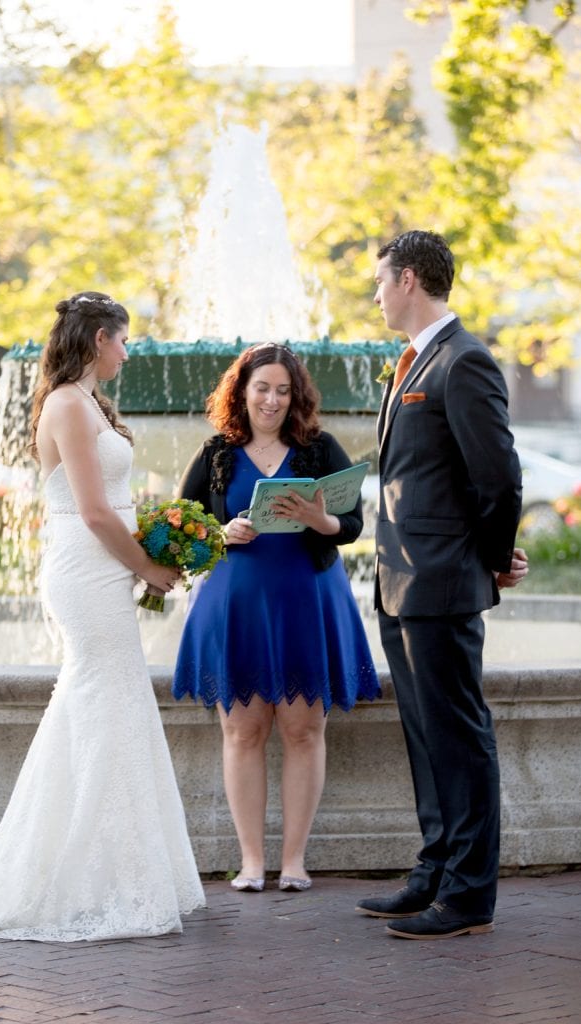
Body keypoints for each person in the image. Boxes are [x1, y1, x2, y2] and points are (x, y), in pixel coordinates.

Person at [0, 291, 205, 947]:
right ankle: (87, 877)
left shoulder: (90, 402)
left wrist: (158, 539)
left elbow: (116, 501)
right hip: (87, 565)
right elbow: (95, 511)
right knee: (104, 699)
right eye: (123, 340)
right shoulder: (69, 405)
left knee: (105, 704)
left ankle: (109, 872)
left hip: (104, 562)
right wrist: (147, 568)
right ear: (99, 339)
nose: (127, 352)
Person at [355, 230, 528, 940]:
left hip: (442, 582)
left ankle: (466, 896)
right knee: (425, 736)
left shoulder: (464, 362)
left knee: (457, 736)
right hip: (399, 583)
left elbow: (497, 477)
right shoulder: (412, 361)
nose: (373, 294)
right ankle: (433, 870)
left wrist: (491, 557)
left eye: (378, 281)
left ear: (408, 281)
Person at [172, 343, 380, 893]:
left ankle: (294, 861)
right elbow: (180, 530)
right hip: (234, 604)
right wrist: (220, 533)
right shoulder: (216, 453)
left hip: (306, 600)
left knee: (304, 730)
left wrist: (321, 519)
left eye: (283, 390)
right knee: (243, 731)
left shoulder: (320, 450)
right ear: (241, 391)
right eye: (261, 387)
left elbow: (354, 524)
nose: (271, 399)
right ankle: (250, 862)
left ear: (296, 396)